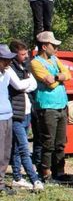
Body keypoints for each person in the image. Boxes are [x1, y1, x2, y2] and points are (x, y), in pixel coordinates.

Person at [30, 31, 72, 182]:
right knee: (48, 142)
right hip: (47, 106)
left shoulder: (55, 59)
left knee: (60, 142)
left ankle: (59, 171)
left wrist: (56, 77)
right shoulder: (35, 63)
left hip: (61, 105)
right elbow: (50, 83)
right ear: (44, 46)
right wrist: (58, 77)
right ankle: (45, 172)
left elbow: (68, 74)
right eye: (53, 45)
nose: (56, 48)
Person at [8, 41, 43, 191]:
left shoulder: (24, 67)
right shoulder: (9, 68)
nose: (26, 56)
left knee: (16, 148)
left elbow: (33, 85)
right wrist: (27, 83)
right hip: (16, 114)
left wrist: (26, 83)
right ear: (15, 54)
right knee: (23, 147)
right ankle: (34, 179)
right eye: (23, 54)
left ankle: (17, 177)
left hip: (27, 113)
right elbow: (19, 86)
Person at [1, 44, 33, 195]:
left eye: (9, 60)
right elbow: (20, 86)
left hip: (10, 115)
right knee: (4, 151)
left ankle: (4, 182)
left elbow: (28, 85)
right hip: (4, 117)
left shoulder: (6, 73)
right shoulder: (8, 72)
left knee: (7, 152)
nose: (8, 63)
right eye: (4, 60)